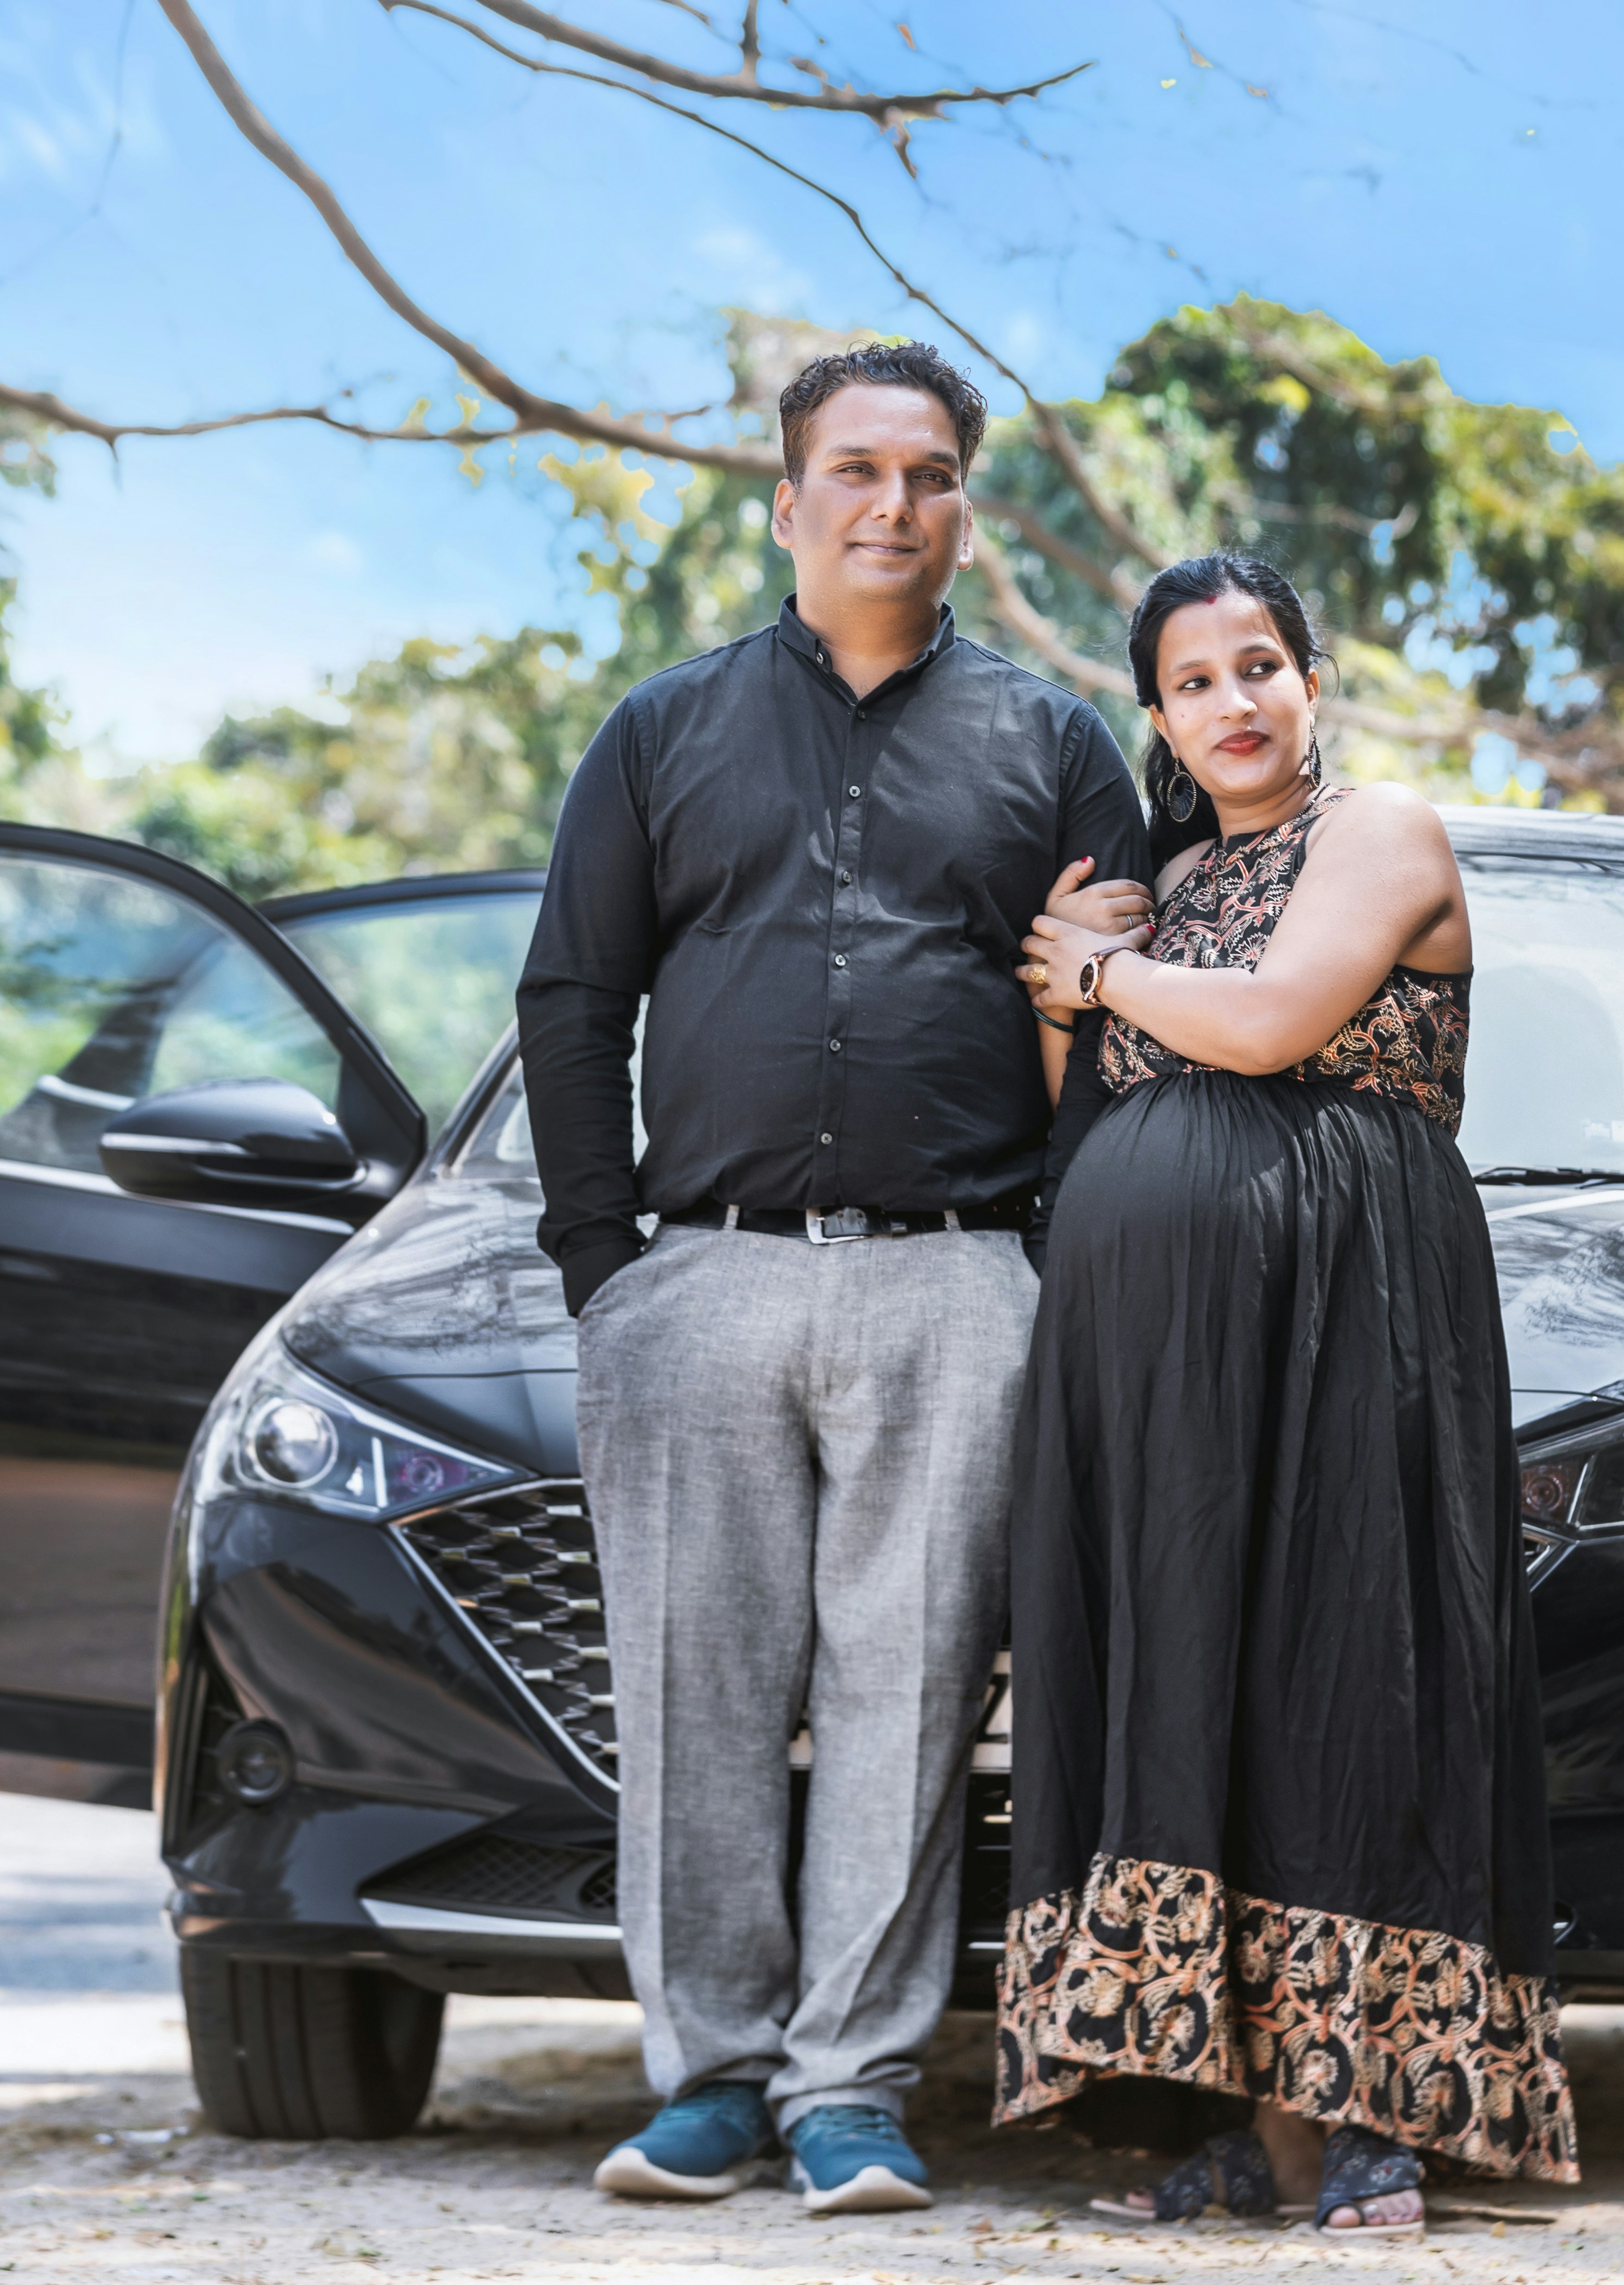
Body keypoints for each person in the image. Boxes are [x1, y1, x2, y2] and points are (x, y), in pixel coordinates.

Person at [512, 343, 1150, 2216]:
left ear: (966, 507)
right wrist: (600, 1264)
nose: (894, 504)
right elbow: (573, 999)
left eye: (932, 473)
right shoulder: (659, 731)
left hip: (959, 1283)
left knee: (912, 1686)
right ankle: (707, 2073)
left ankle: (852, 2085)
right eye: (857, 471)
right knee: (696, 1683)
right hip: (695, 1279)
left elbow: (1108, 1027)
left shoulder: (1053, 747)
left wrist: (1054, 1264)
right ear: (785, 502)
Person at [994, 555, 1579, 2232]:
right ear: (1158, 712)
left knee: (1349, 1674)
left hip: (1350, 1318)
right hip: (1162, 1355)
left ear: (1311, 682)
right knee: (1211, 1688)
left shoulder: (1380, 833)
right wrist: (1071, 987)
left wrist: (1091, 972)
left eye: (1260, 665)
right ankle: (1271, 2133)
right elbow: (1088, 1111)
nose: (1231, 702)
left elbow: (1265, 1026)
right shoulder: (1167, 881)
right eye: (1192, 680)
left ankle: (1379, 2121)